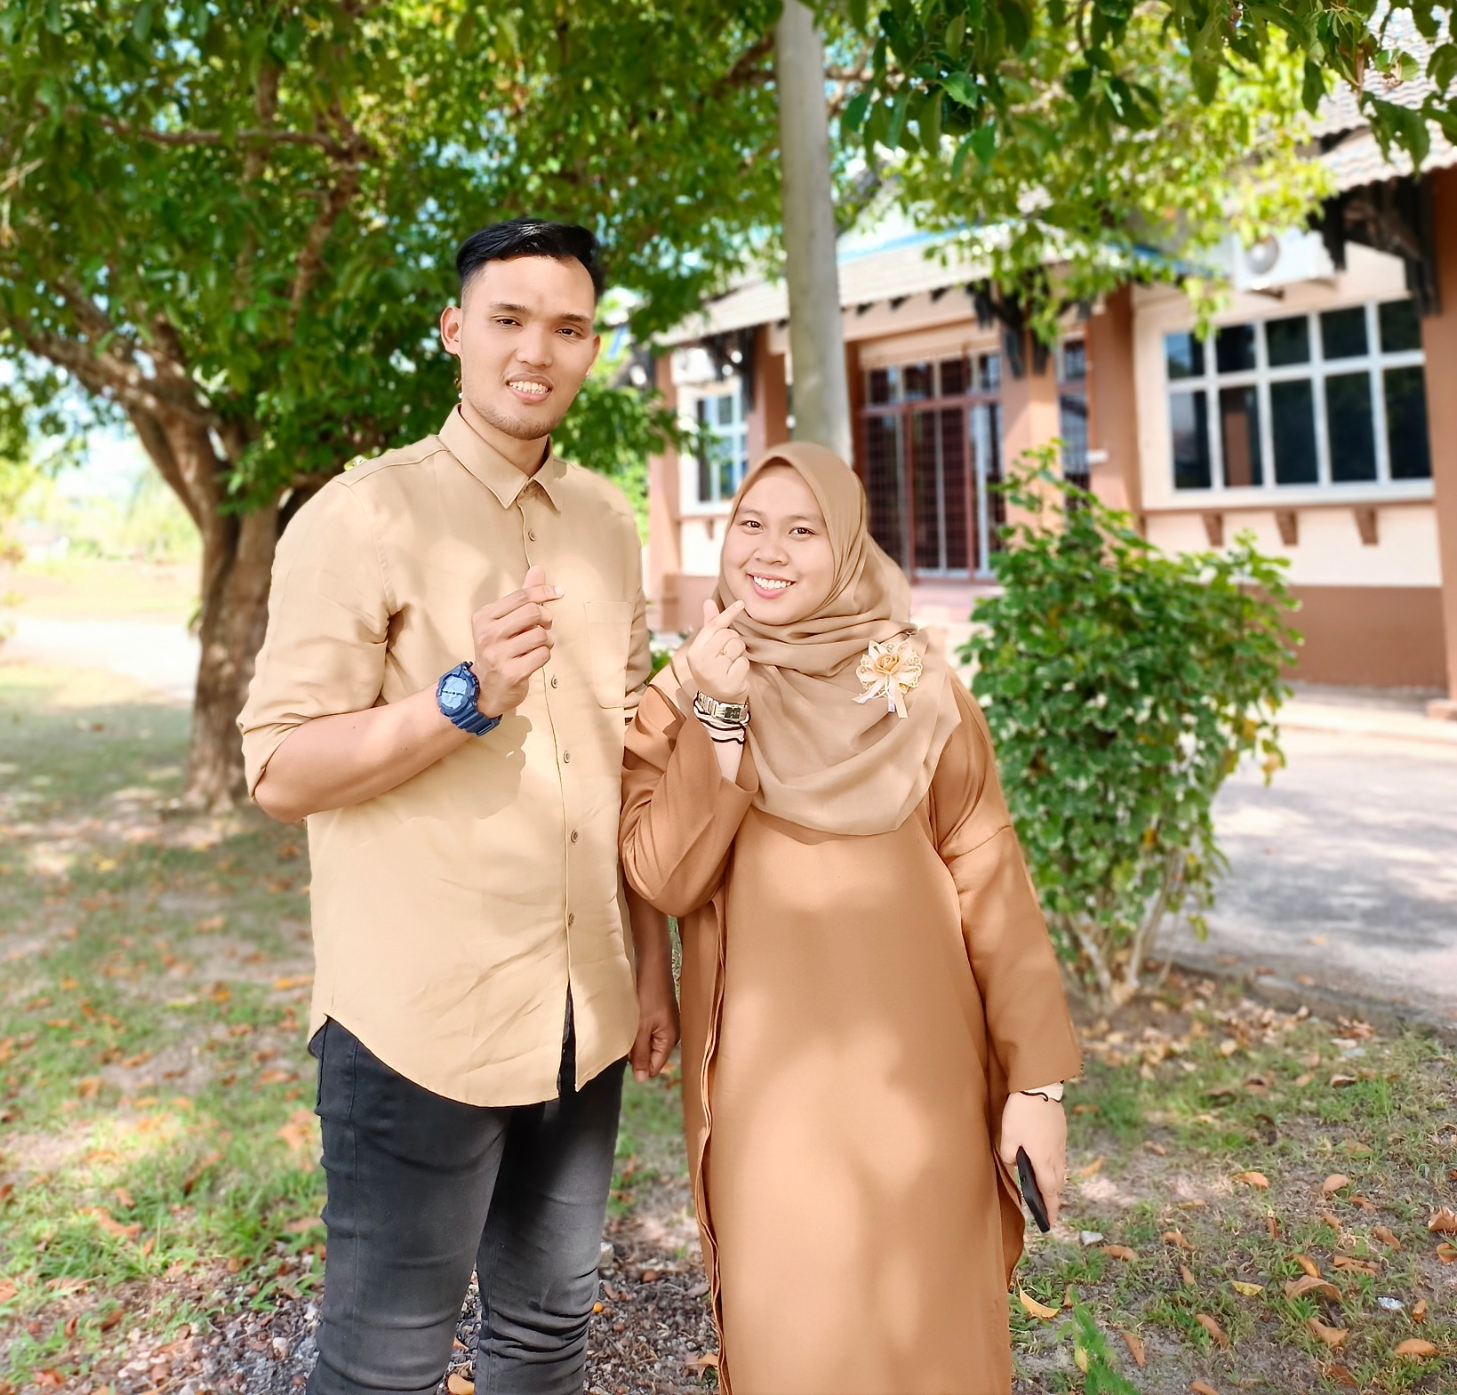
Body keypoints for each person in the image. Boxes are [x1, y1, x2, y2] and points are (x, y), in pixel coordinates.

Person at [239, 217, 678, 1395]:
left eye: (568, 326)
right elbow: (277, 768)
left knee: (547, 1335)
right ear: (454, 329)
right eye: (508, 318)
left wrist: (653, 970)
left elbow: (623, 759)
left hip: (584, 1015)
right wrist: (463, 697)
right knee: (383, 1364)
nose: (537, 348)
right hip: (417, 1018)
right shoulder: (361, 514)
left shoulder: (608, 520)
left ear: (593, 348)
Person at [619, 442, 1079, 1395]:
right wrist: (719, 715)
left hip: (922, 1081)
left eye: (804, 529)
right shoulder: (685, 688)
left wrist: (1037, 1085)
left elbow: (991, 878)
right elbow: (662, 875)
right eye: (751, 523)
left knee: (933, 1334)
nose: (769, 550)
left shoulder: (916, 686)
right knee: (791, 1335)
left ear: (848, 548)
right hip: (767, 1090)